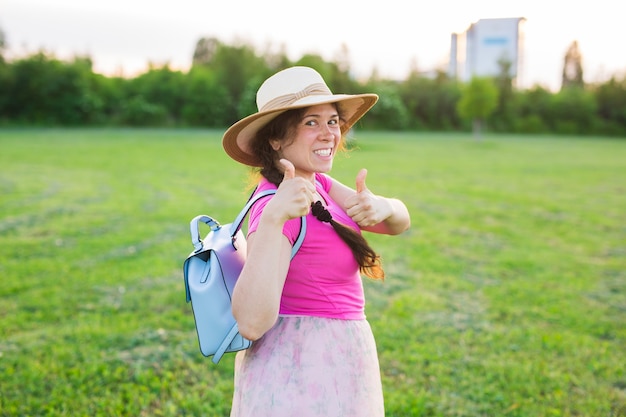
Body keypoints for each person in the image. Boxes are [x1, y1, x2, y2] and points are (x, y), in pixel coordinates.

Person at [222, 66, 411, 417]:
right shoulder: (275, 206)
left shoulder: (319, 185)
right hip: (302, 372)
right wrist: (276, 218)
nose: (329, 134)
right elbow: (250, 322)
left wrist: (382, 205)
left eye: (333, 121)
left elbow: (399, 222)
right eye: (311, 122)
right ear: (276, 139)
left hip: (336, 363)